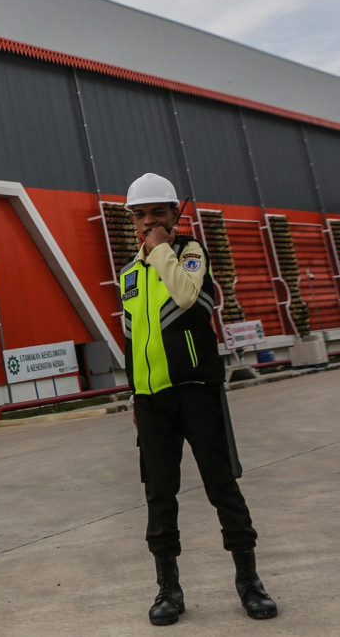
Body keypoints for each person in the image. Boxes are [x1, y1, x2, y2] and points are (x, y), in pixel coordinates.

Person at [118, 172, 278, 625]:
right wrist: (134, 397)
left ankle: (249, 581)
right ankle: (168, 588)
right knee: (159, 494)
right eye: (140, 214)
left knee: (220, 484)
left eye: (158, 213)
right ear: (131, 219)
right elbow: (132, 340)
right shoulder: (129, 274)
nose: (148, 222)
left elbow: (187, 297)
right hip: (151, 402)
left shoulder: (191, 257)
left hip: (196, 393)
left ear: (175, 214)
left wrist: (162, 249)